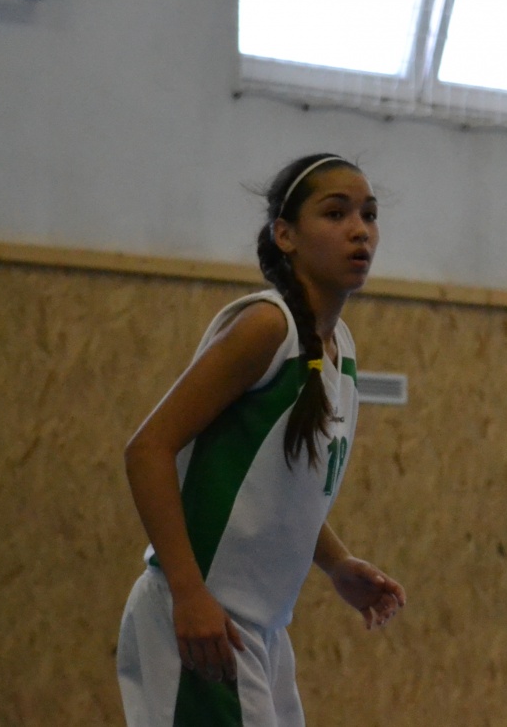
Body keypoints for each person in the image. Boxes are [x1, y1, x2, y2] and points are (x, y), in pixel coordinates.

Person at [117, 153, 404, 726]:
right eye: (336, 213)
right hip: (203, 622)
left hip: (262, 630)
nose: (359, 230)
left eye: (369, 215)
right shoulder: (266, 327)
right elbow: (147, 450)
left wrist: (336, 562)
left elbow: (280, 491)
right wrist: (188, 594)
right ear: (285, 235)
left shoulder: (340, 348)